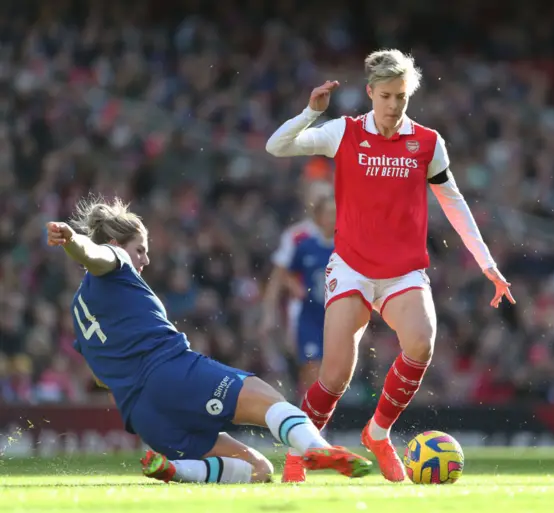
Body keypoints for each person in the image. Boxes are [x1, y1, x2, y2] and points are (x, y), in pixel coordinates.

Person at [266, 48, 516, 483]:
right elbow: (276, 145)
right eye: (385, 96)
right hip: (351, 269)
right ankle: (297, 454)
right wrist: (311, 111)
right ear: (370, 93)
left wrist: (487, 263)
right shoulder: (341, 132)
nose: (393, 105)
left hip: (403, 271)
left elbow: (453, 203)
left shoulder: (427, 142)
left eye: (401, 96)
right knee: (335, 377)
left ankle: (377, 433)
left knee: (421, 342)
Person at [45, 196, 371, 485]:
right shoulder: (116, 260)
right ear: (118, 243)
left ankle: (178, 470)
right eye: (140, 250)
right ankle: (318, 449)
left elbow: (101, 377)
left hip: (143, 415)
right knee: (272, 401)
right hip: (173, 373)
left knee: (258, 469)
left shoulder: (79, 310)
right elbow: (95, 254)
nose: (144, 260)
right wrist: (74, 240)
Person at [285, 196, 336, 395]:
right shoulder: (305, 246)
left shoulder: (344, 248)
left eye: (336, 214)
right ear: (318, 217)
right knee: (311, 365)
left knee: (332, 369)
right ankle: (312, 414)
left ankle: (322, 415)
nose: (332, 218)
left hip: (335, 317)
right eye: (329, 213)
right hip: (310, 316)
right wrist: (295, 286)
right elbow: (288, 272)